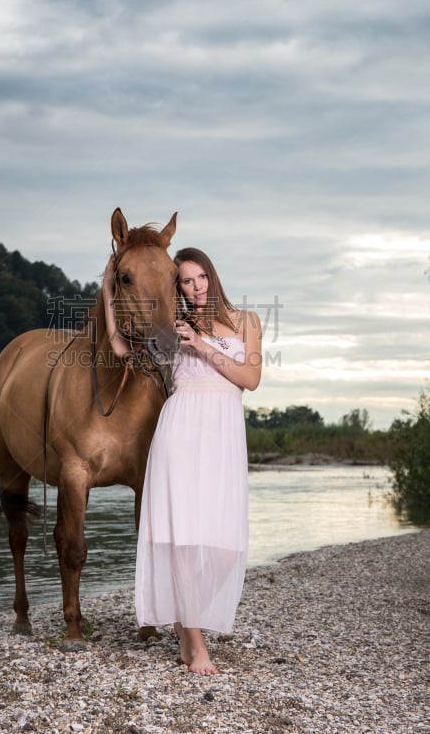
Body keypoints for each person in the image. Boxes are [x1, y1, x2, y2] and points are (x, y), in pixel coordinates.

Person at [103, 248, 262, 675]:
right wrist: (108, 287)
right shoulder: (173, 327)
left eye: (201, 277)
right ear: (178, 288)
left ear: (212, 274)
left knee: (224, 546)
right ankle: (194, 644)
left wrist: (203, 347)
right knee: (183, 540)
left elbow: (250, 380)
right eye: (187, 282)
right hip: (181, 428)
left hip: (224, 434)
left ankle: (183, 622)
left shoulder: (246, 321)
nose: (196, 287)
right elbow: (119, 345)